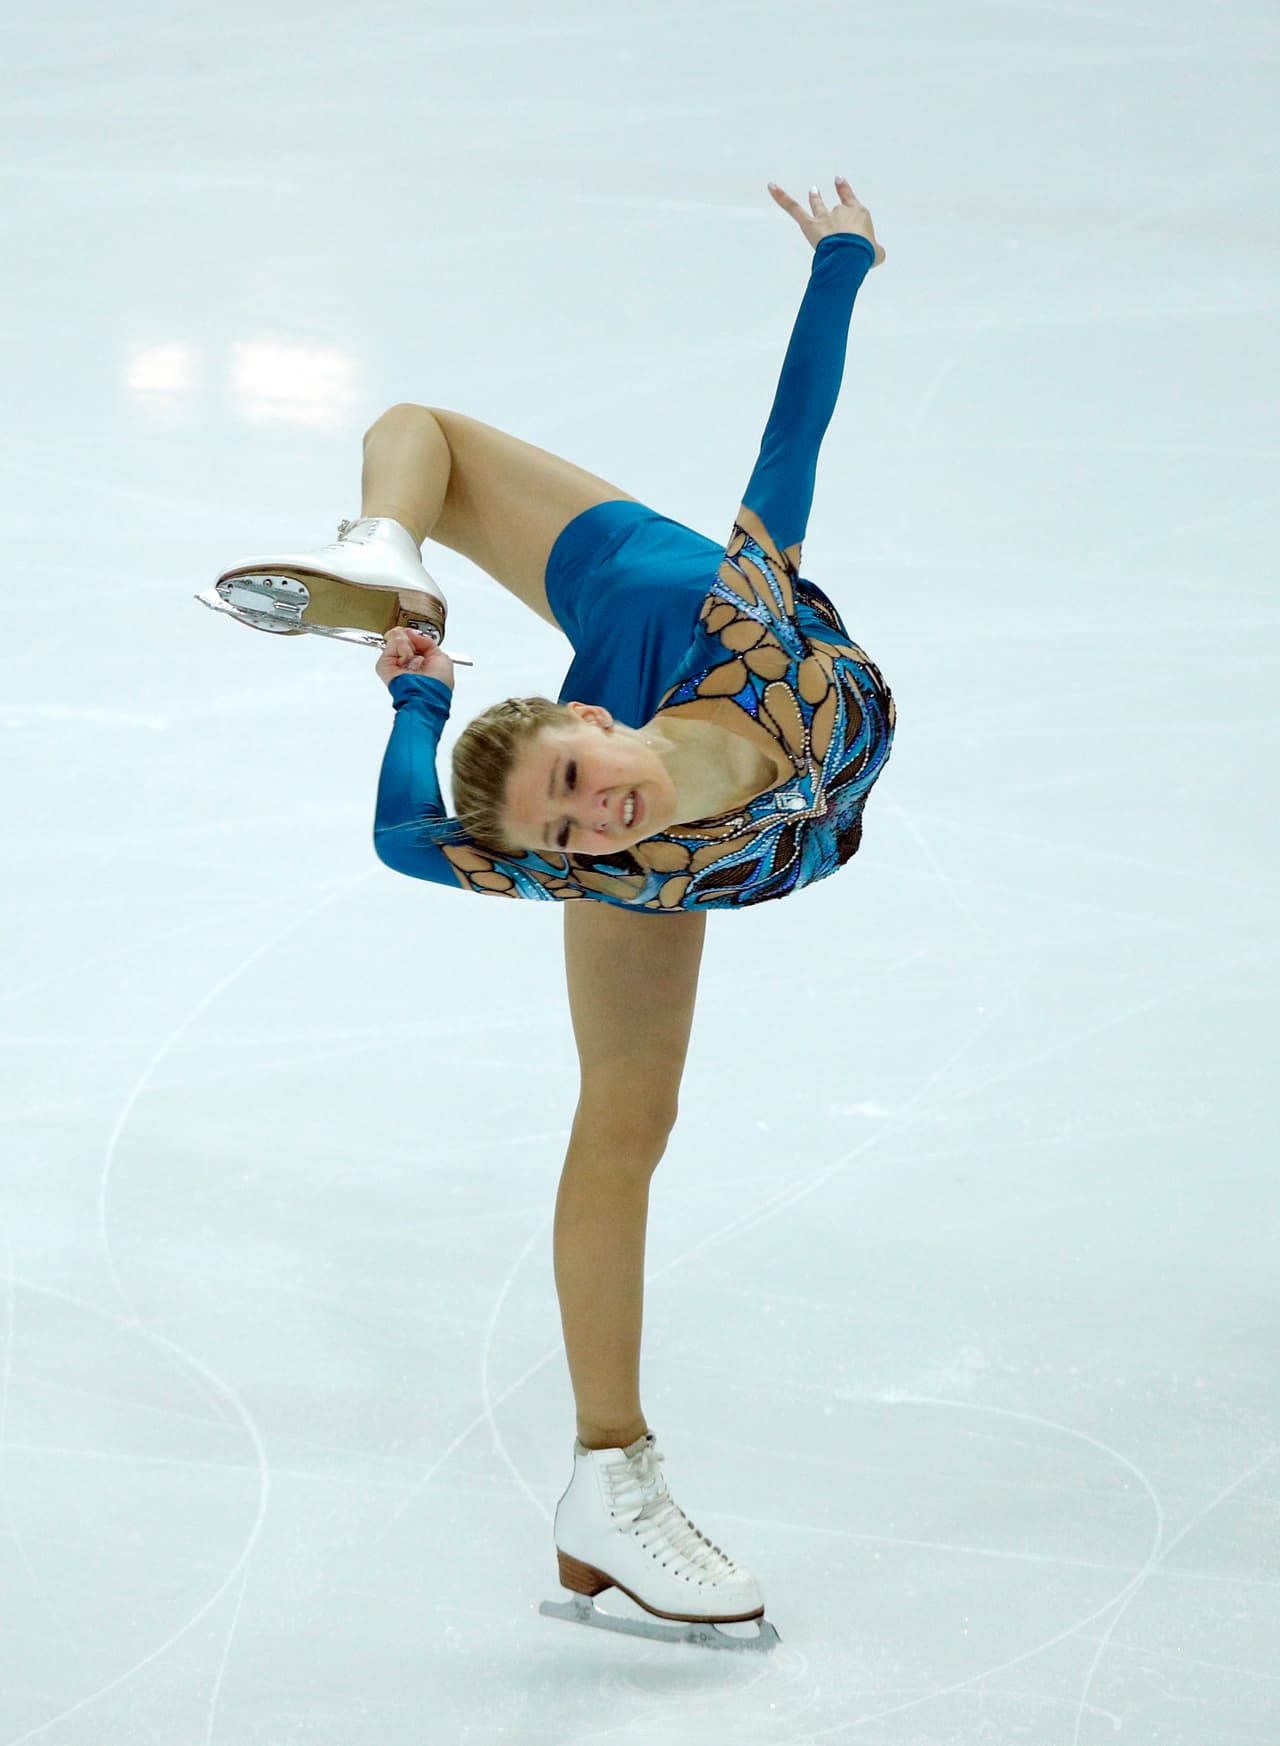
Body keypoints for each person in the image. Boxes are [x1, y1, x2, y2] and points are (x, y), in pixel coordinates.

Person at [204, 177, 891, 1650]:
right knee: (625, 1121)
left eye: (576, 779)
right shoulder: (609, 863)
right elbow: (408, 838)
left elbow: (798, 430)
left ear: (588, 712)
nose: (594, 818)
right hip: (723, 832)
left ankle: (397, 543)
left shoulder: (727, 617)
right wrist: (415, 697)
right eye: (564, 830)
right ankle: (607, 1481)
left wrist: (841, 261)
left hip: (669, 608)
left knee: (430, 438)